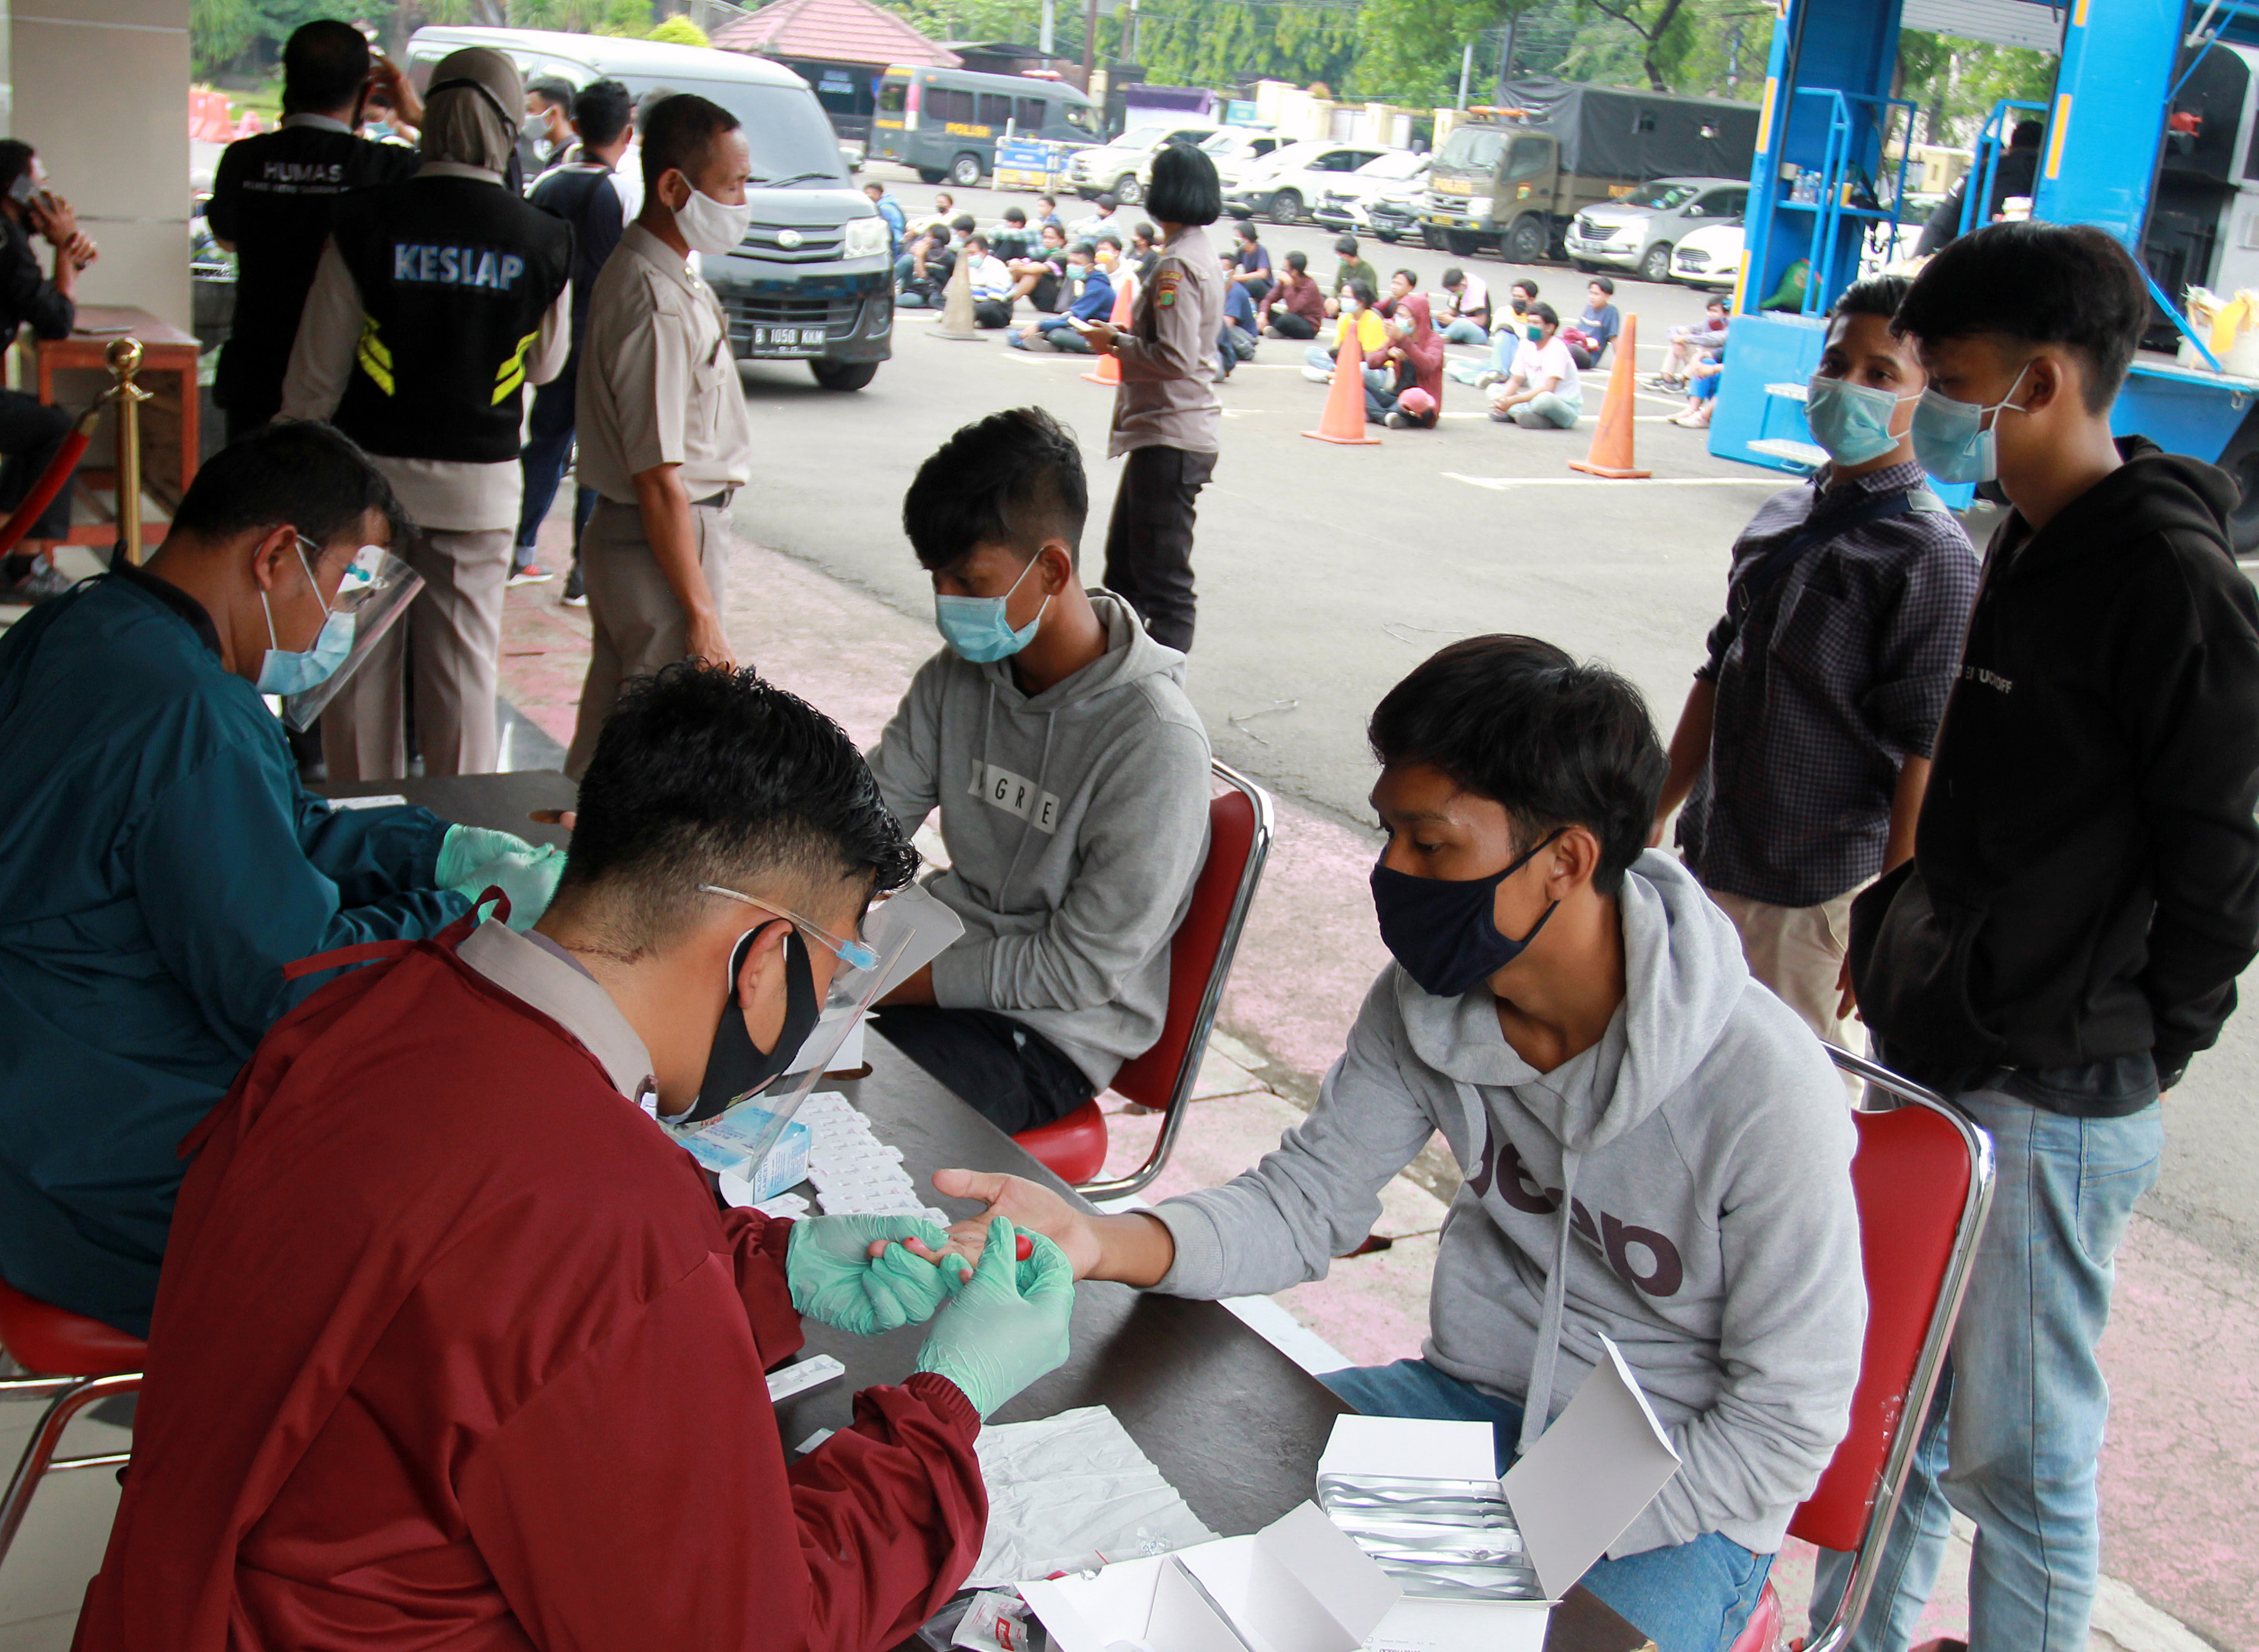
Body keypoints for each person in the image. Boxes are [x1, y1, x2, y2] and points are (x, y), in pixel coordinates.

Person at [74, 663, 1079, 1650]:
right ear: (763, 953)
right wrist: (943, 1410)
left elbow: (493, 1316)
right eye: (838, 964)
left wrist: (770, 1269)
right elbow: (747, 1630)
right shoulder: (598, 1213)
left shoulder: (366, 1015)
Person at [932, 634, 1867, 1652]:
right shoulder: (1425, 1007)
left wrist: (1508, 1541)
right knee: (1159, 1503)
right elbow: (1302, 1205)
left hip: (1681, 1492)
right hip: (1461, 1411)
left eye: (1431, 847)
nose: (1391, 873)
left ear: (1565, 861)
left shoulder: (1761, 1089)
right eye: (1388, 836)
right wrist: (1096, 1240)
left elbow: (1782, 1420)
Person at [1818, 221, 2259, 1652]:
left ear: (2046, 381)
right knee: (1901, 1411)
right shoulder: (2026, 538)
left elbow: (2221, 863)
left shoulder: (2171, 588)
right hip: (1945, 1048)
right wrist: (1894, 931)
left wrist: (2135, 1032)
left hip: (2052, 1086)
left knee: (2020, 1457)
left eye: (1948, 377)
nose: (1923, 402)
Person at [0, 421, 564, 1337]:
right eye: (343, 582)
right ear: (274, 557)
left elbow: (262, 834)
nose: (338, 617)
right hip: (99, 1175)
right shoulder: (191, 713)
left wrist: (439, 852)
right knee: (460, 1215)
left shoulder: (83, 626)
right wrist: (468, 916)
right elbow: (292, 984)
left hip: (42, 1100)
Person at [1651, 275, 1978, 1051]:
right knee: (1688, 1077)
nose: (1846, 389)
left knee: (1797, 1110)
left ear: (1925, 397)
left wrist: (1885, 918)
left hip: (1817, 894)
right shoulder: (1789, 512)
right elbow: (1719, 668)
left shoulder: (1931, 556)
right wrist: (1659, 803)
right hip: (1716, 858)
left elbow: (1925, 755)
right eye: (1836, 364)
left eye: (1880, 375)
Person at [865, 408, 1211, 1135]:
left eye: (968, 578)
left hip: (1045, 1036)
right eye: (937, 578)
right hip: (929, 972)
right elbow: (864, 822)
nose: (946, 605)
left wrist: (894, 980)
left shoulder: (1155, 744)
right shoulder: (958, 679)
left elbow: (1078, 970)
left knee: (849, 1116)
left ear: (1052, 568)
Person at [280, 47, 573, 783]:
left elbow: (316, 376)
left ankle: (366, 845)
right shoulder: (542, 236)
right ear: (508, 128)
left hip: (368, 490)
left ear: (431, 115)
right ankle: (462, 850)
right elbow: (544, 366)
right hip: (480, 491)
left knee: (359, 682)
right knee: (463, 682)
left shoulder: (366, 221)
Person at [567, 92, 758, 779]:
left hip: (647, 538)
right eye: (730, 185)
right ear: (673, 187)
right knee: (657, 751)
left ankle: (569, 853)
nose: (742, 201)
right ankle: (618, 877)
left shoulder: (666, 276)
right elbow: (656, 477)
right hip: (664, 543)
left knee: (615, 730)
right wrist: (701, 615)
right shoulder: (652, 299)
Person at [206, 22, 421, 445]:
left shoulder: (242, 159)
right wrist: (414, 114)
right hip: (348, 385)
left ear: (288, 81)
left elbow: (227, 238)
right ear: (367, 90)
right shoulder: (387, 168)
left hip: (256, 377)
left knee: (253, 504)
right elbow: (478, 183)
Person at [1083, 145, 1227, 654]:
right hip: (1167, 434)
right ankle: (1113, 674)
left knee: (1160, 582)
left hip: (1172, 433)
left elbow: (1175, 356)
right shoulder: (1196, 252)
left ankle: (1159, 692)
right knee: (1124, 570)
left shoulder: (1176, 266)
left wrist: (1115, 344)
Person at [510, 78, 632, 595]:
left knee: (545, 444)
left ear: (575, 126)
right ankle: (584, 569)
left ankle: (521, 551)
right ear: (628, 133)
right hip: (603, 342)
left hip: (551, 338)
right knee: (595, 459)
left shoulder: (546, 185)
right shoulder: (625, 192)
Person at [0, 140, 94, 601]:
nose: (49, 201)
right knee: (57, 428)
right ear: (16, 189)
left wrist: (67, 257)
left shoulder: (7, 238)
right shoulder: (6, 242)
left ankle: (15, 550)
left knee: (38, 418)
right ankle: (27, 564)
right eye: (40, 188)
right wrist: (63, 250)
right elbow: (56, 320)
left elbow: (40, 302)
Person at [1914, 118, 2043, 258]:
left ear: (2010, 147)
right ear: (2044, 147)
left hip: (1954, 253)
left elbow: (1941, 221)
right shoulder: (2039, 174)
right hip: (1996, 254)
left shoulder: (1982, 172)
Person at [1488, 302, 1582, 428]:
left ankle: (1522, 415)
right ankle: (1528, 417)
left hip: (1561, 405)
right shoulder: (1525, 344)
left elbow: (1549, 388)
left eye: (1536, 323)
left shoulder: (1557, 348)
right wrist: (1504, 400)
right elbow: (1516, 380)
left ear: (1549, 328)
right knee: (1493, 390)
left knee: (1543, 400)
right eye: (1529, 322)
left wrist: (1512, 401)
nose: (1530, 326)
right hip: (1532, 400)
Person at [1007, 239, 1111, 353]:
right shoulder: (1085, 282)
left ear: (1090, 267)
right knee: (1048, 327)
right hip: (1087, 328)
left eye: (1077, 263)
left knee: (1057, 334)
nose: (1072, 266)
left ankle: (1054, 345)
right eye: (1070, 262)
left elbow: (1074, 318)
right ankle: (1045, 342)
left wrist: (1040, 326)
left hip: (1104, 339)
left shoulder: (1097, 287)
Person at [1365, 293, 1442, 428]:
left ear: (1417, 319)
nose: (1398, 320)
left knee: (1411, 397)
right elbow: (1372, 362)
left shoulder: (1434, 340)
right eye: (1397, 315)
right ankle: (1385, 416)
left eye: (1403, 316)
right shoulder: (1398, 337)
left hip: (1420, 404)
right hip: (1397, 397)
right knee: (1352, 380)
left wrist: (1405, 342)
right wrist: (1388, 354)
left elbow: (1428, 365)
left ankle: (1376, 413)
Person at [1301, 278, 1387, 380]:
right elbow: (1337, 350)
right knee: (1311, 352)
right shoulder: (1344, 318)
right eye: (1342, 296)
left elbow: (1370, 360)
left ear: (1361, 300)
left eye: (1347, 297)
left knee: (1362, 368)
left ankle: (1333, 376)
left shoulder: (1373, 320)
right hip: (1347, 363)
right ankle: (1341, 375)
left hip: (1373, 369)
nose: (1343, 300)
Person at [1651, 294, 1728, 389]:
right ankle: (1667, 377)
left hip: (1713, 363)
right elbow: (1677, 329)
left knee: (1705, 348)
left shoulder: (1730, 327)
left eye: (1715, 312)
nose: (1710, 314)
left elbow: (1716, 339)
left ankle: (1682, 380)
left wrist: (1686, 339)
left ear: (1725, 314)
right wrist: (1676, 340)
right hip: (1697, 361)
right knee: (1680, 334)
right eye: (1709, 311)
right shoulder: (1706, 324)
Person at [1004, 219, 1069, 311]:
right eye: (1045, 238)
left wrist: (1019, 267)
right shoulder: (1043, 254)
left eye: (1051, 238)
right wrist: (1014, 265)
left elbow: (1040, 268)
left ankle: (1009, 302)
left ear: (1062, 241)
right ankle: (1001, 297)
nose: (1047, 241)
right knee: (1018, 269)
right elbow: (1024, 263)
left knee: (1034, 271)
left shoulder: (1062, 255)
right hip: (1040, 299)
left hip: (1055, 299)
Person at [1264, 248, 1327, 339]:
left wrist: (1289, 285)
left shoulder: (1309, 286)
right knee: (1261, 309)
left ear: (1294, 272)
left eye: (1286, 268)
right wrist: (1263, 314)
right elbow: (1269, 298)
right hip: (1289, 318)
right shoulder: (1284, 282)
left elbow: (1294, 308)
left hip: (1307, 326)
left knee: (1286, 319)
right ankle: (1274, 330)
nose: (1283, 271)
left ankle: (1277, 331)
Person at [520, 75, 576, 177]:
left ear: (553, 114)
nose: (525, 117)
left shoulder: (572, 159)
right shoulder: (558, 153)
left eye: (530, 110)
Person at [1563, 275, 1620, 370]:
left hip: (1587, 355)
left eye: (1596, 294)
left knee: (1572, 349)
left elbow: (1614, 338)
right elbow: (1578, 332)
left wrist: (1623, 362)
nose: (1592, 297)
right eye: (1591, 293)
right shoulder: (1589, 308)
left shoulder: (1611, 312)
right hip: (1578, 344)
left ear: (1607, 296)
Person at [1217, 251, 1260, 379]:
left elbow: (1228, 323)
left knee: (1218, 327)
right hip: (1234, 335)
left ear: (1232, 273)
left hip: (1244, 340)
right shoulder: (1220, 288)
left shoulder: (1236, 292)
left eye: (1223, 270)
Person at [962, 232, 1016, 328]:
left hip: (999, 310)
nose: (969, 257)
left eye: (973, 253)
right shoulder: (970, 267)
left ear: (984, 252)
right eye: (967, 253)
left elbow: (995, 302)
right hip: (978, 303)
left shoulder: (995, 266)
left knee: (982, 310)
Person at [1438, 265, 1489, 344]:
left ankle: (1442, 335)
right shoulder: (1458, 292)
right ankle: (1443, 334)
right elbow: (1455, 311)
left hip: (1477, 332)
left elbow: (1481, 321)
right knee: (1430, 316)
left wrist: (1453, 320)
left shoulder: (1478, 290)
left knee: (1461, 324)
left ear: (1463, 285)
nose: (1453, 293)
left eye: (1454, 291)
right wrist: (1443, 315)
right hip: (1457, 323)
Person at [1329, 232, 1378, 314]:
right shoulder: (1344, 267)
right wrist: (1333, 299)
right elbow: (1337, 287)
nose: (1339, 257)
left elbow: (1369, 294)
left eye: (1339, 255)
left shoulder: (1366, 270)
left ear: (1347, 255)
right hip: (1344, 300)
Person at [1229, 217, 1272, 303]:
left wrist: (1237, 278)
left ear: (1247, 238)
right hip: (1249, 284)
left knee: (1255, 283)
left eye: (1238, 237)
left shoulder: (1260, 251)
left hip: (1263, 287)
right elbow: (1232, 265)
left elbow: (1263, 274)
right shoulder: (1242, 251)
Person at [865, 178, 908, 261]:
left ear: (878, 193)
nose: (868, 196)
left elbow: (894, 228)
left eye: (870, 193)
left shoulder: (884, 208)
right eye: (866, 193)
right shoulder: (888, 204)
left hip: (895, 245)